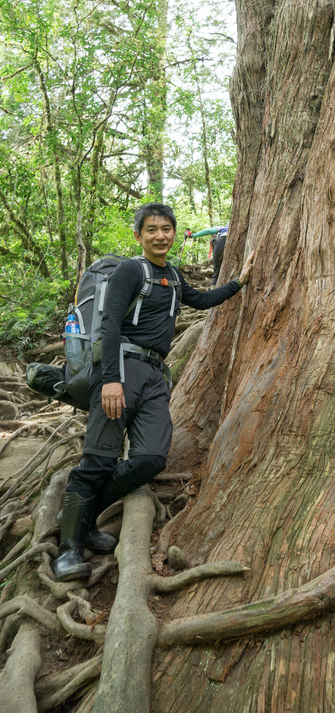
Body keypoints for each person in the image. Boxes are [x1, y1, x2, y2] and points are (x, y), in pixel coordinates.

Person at [52, 202, 255, 582]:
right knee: (98, 459)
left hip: (155, 377)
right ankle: (69, 550)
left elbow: (204, 300)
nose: (160, 235)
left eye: (166, 229)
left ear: (174, 233)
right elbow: (111, 323)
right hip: (122, 370)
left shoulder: (174, 277)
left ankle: (83, 514)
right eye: (152, 230)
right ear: (139, 235)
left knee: (151, 459)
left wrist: (239, 282)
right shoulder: (131, 270)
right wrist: (111, 378)